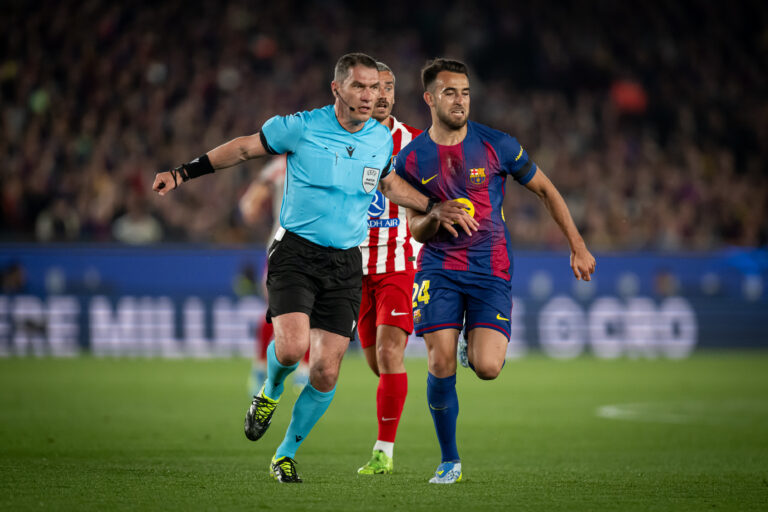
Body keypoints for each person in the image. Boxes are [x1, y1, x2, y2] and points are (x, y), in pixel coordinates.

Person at [152, 53, 477, 483]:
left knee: (325, 370)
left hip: (346, 262)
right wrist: (182, 173)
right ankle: (269, 391)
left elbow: (388, 183)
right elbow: (245, 148)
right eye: (360, 87)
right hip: (296, 254)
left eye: (376, 88)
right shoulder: (300, 127)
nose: (370, 96)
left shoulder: (381, 141)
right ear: (337, 89)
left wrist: (434, 206)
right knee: (290, 348)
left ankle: (284, 454)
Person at [396, 59, 596, 484]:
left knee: (487, 367)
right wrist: (434, 215)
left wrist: (577, 246)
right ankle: (449, 461)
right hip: (439, 268)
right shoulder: (412, 159)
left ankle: (475, 344)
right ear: (429, 98)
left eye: (465, 92)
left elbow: (545, 188)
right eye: (450, 92)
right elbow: (414, 229)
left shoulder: (498, 145)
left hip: (491, 269)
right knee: (439, 360)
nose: (460, 101)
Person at [356, 62, 423, 476]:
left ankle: (384, 452)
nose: (381, 94)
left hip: (400, 263)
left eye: (389, 87)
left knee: (388, 352)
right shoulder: (343, 139)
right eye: (374, 87)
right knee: (377, 365)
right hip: (353, 265)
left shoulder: (414, 144)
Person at [238, 155, 310, 397]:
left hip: (317, 249)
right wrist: (252, 204)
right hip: (283, 248)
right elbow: (252, 200)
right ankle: (261, 368)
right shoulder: (283, 164)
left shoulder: (330, 156)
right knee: (276, 309)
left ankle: (304, 370)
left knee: (312, 308)